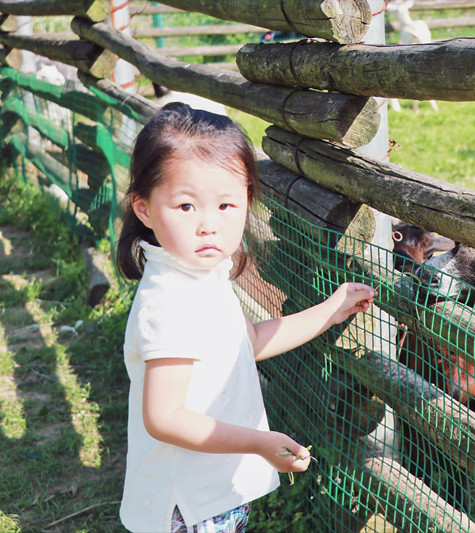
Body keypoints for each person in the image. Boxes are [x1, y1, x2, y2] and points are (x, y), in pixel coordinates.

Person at [115, 102, 376, 533]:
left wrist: (330, 310)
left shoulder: (199, 275)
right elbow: (164, 417)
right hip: (188, 507)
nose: (208, 226)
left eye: (226, 206)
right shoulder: (170, 300)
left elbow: (245, 344)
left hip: (211, 493)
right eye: (185, 207)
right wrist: (258, 442)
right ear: (143, 209)